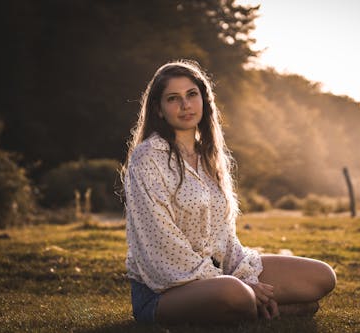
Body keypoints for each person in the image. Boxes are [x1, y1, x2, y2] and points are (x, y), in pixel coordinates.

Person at [122, 60, 336, 325]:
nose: (185, 105)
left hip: (222, 273)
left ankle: (253, 303)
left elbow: (224, 236)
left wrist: (243, 275)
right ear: (159, 109)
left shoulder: (208, 156)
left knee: (322, 276)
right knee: (235, 294)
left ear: (204, 99)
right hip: (164, 289)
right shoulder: (148, 158)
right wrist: (238, 284)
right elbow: (162, 247)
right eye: (173, 99)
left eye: (192, 95)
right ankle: (261, 305)